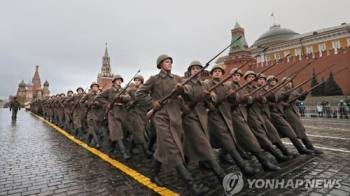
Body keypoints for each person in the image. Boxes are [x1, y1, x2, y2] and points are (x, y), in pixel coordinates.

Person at [136, 54, 210, 195]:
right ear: (160, 65)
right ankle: (191, 185)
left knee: (163, 148)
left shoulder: (177, 78)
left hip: (175, 116)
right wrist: (152, 103)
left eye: (171, 62)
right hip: (161, 116)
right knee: (173, 148)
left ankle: (154, 174)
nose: (170, 64)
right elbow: (140, 93)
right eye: (166, 62)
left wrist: (181, 91)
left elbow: (184, 92)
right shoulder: (154, 79)